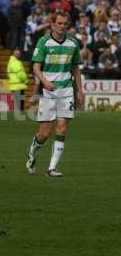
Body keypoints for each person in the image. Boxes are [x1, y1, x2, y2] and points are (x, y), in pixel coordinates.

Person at [26, 11, 84, 177]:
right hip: (48, 91)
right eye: (59, 23)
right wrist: (45, 82)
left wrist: (80, 90)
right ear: (52, 24)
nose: (62, 26)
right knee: (45, 133)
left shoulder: (73, 43)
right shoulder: (44, 42)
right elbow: (36, 67)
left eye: (65, 24)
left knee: (62, 128)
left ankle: (51, 168)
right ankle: (32, 151)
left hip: (66, 90)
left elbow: (76, 69)